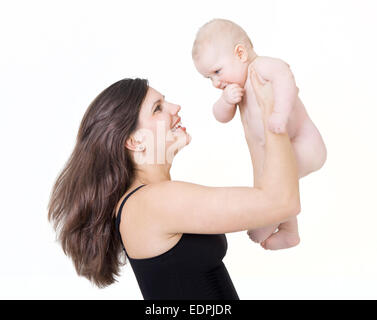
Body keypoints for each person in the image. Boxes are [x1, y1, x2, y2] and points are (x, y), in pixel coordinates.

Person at [47, 70, 300, 299]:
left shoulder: (145, 201)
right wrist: (270, 112)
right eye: (157, 108)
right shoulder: (155, 202)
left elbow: (270, 199)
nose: (175, 107)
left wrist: (253, 122)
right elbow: (281, 201)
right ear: (135, 141)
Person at [192, 18, 327, 250]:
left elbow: (285, 76)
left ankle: (269, 218)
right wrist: (225, 101)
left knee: (276, 186)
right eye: (209, 78)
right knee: (276, 184)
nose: (216, 82)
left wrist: (280, 114)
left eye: (217, 71)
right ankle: (289, 231)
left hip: (304, 143)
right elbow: (221, 117)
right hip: (275, 155)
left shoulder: (261, 67)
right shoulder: (236, 88)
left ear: (241, 53)